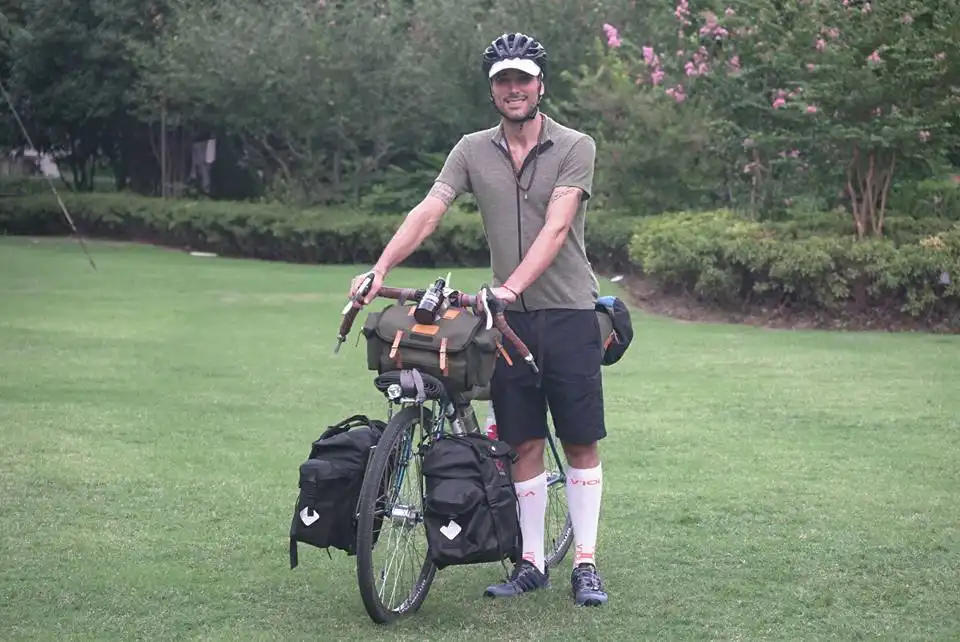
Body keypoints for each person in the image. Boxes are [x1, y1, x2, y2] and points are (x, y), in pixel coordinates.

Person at [348, 32, 608, 607]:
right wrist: (379, 267)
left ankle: (585, 563)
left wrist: (510, 287)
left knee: (581, 439)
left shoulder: (574, 145)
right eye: (502, 80)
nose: (513, 88)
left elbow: (558, 225)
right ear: (491, 89)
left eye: (523, 78)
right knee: (521, 442)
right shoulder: (470, 149)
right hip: (505, 319)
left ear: (541, 84)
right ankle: (532, 563)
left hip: (565, 312)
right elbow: (429, 211)